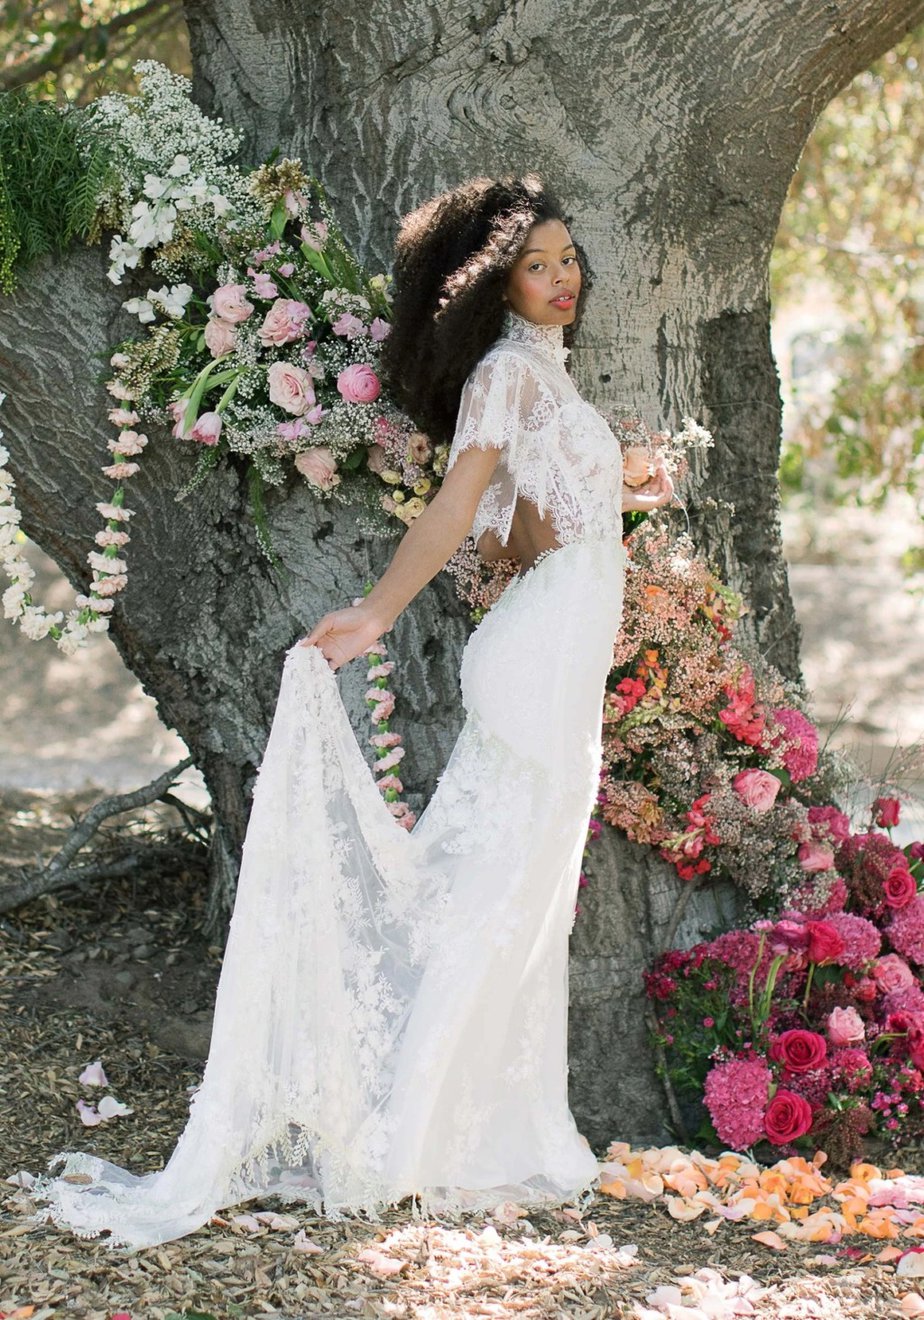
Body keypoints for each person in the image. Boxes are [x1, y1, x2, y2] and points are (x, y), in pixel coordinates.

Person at [31, 175, 673, 1249]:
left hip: (558, 653)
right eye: (537, 264)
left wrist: (618, 488)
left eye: (569, 260)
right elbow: (454, 514)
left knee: (519, 901)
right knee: (491, 901)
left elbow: (522, 543)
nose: (565, 280)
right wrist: (376, 613)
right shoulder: (508, 377)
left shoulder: (543, 380)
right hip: (535, 668)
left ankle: (495, 1131)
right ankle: (405, 1141)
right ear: (492, 285)